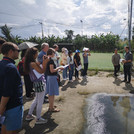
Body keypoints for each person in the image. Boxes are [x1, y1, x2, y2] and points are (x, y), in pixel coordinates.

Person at [0, 42, 23, 134]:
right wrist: (1, 109)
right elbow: (7, 92)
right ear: (11, 51)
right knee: (12, 131)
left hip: (5, 105)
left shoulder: (2, 64)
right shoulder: (11, 67)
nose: (19, 52)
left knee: (5, 127)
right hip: (12, 106)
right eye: (18, 50)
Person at [24, 47, 49, 124]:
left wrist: (41, 63)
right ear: (33, 54)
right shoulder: (33, 63)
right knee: (40, 101)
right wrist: (45, 63)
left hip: (36, 83)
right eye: (37, 53)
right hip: (40, 83)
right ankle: (38, 118)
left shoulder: (30, 63)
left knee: (36, 100)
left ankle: (29, 115)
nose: (37, 55)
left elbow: (37, 69)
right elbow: (42, 71)